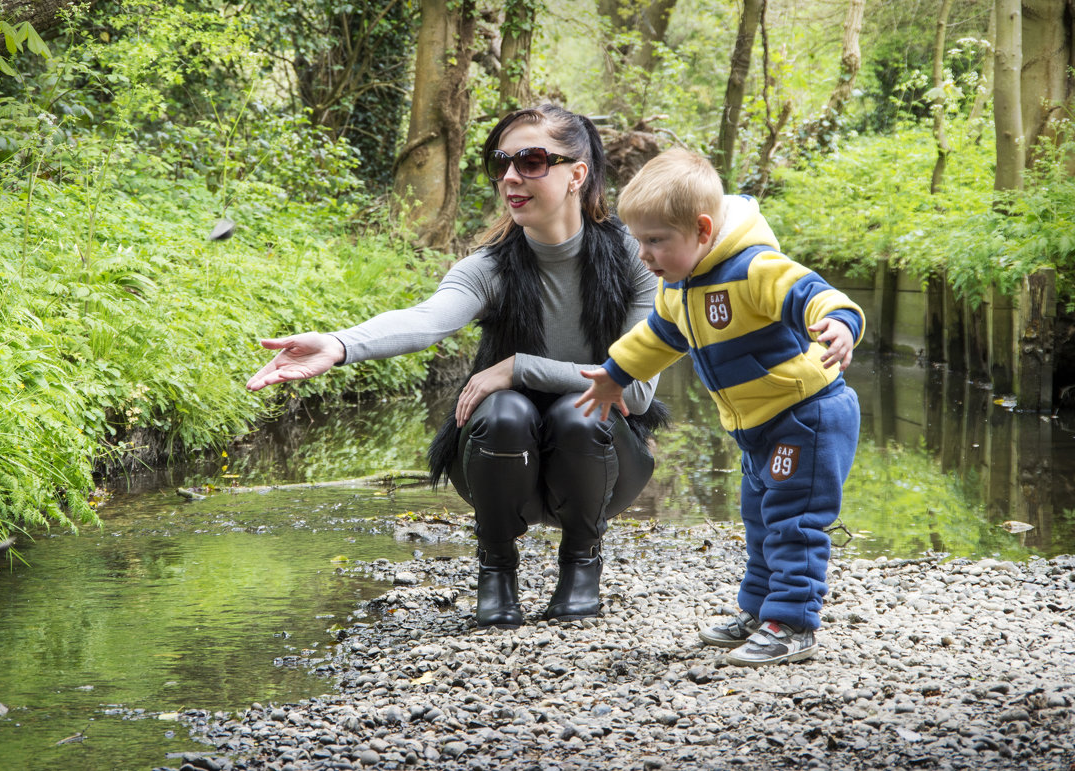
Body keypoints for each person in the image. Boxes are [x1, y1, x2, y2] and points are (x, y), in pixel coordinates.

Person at [247, 104, 668, 629]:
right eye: (502, 163)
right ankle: (496, 573)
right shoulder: (488, 266)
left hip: (604, 464)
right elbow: (428, 319)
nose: (511, 177)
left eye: (532, 161)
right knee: (505, 411)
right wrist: (339, 344)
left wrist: (521, 367)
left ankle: (581, 570)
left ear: (577, 174)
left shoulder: (638, 258)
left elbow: (636, 393)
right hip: (499, 462)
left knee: (579, 412)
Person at [575, 146, 863, 666]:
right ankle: (759, 610)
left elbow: (814, 294)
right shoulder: (678, 286)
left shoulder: (754, 267)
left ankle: (793, 623)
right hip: (757, 425)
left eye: (656, 241)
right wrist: (615, 375)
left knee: (793, 519)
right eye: (639, 241)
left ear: (703, 231)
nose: (644, 255)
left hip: (808, 414)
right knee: (759, 515)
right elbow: (660, 336)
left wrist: (840, 322)